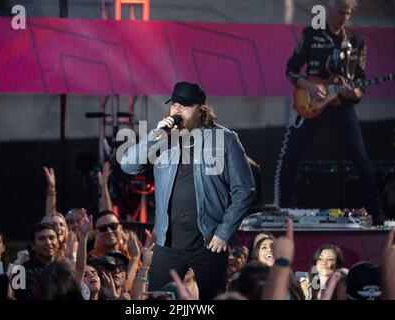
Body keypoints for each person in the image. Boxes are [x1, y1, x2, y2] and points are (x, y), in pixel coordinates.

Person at [121, 81, 255, 299]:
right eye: (174, 105)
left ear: (201, 109)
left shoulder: (225, 139)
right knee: (158, 299)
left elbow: (245, 190)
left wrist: (224, 232)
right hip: (168, 243)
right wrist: (156, 135)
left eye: (184, 106)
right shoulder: (163, 138)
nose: (177, 110)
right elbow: (128, 165)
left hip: (209, 244)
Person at [277, 0, 385, 225]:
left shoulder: (356, 43)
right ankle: (286, 210)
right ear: (329, 9)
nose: (343, 17)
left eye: (347, 13)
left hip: (341, 107)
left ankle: (377, 212)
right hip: (312, 104)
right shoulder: (310, 35)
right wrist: (308, 86)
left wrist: (352, 93)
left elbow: (360, 85)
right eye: (340, 12)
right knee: (291, 155)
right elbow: (290, 70)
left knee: (361, 158)